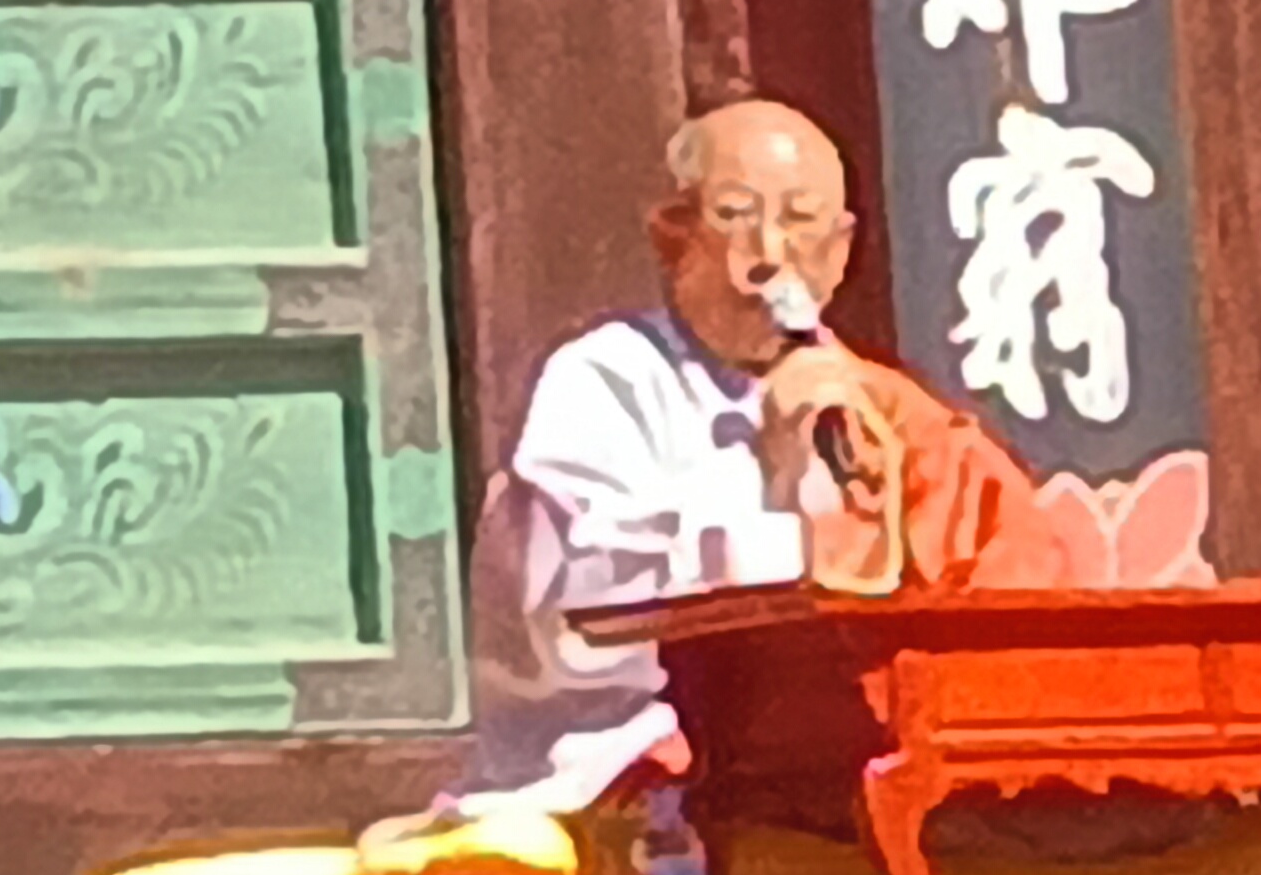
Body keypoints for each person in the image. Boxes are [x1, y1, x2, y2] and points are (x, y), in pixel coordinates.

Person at [444, 98, 1069, 827]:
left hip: (847, 777)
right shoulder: (603, 382)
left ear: (840, 250)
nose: (770, 253)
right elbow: (586, 615)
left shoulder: (881, 409)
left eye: (801, 220)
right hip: (622, 781)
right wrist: (775, 475)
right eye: (737, 215)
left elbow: (1013, 581)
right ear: (672, 236)